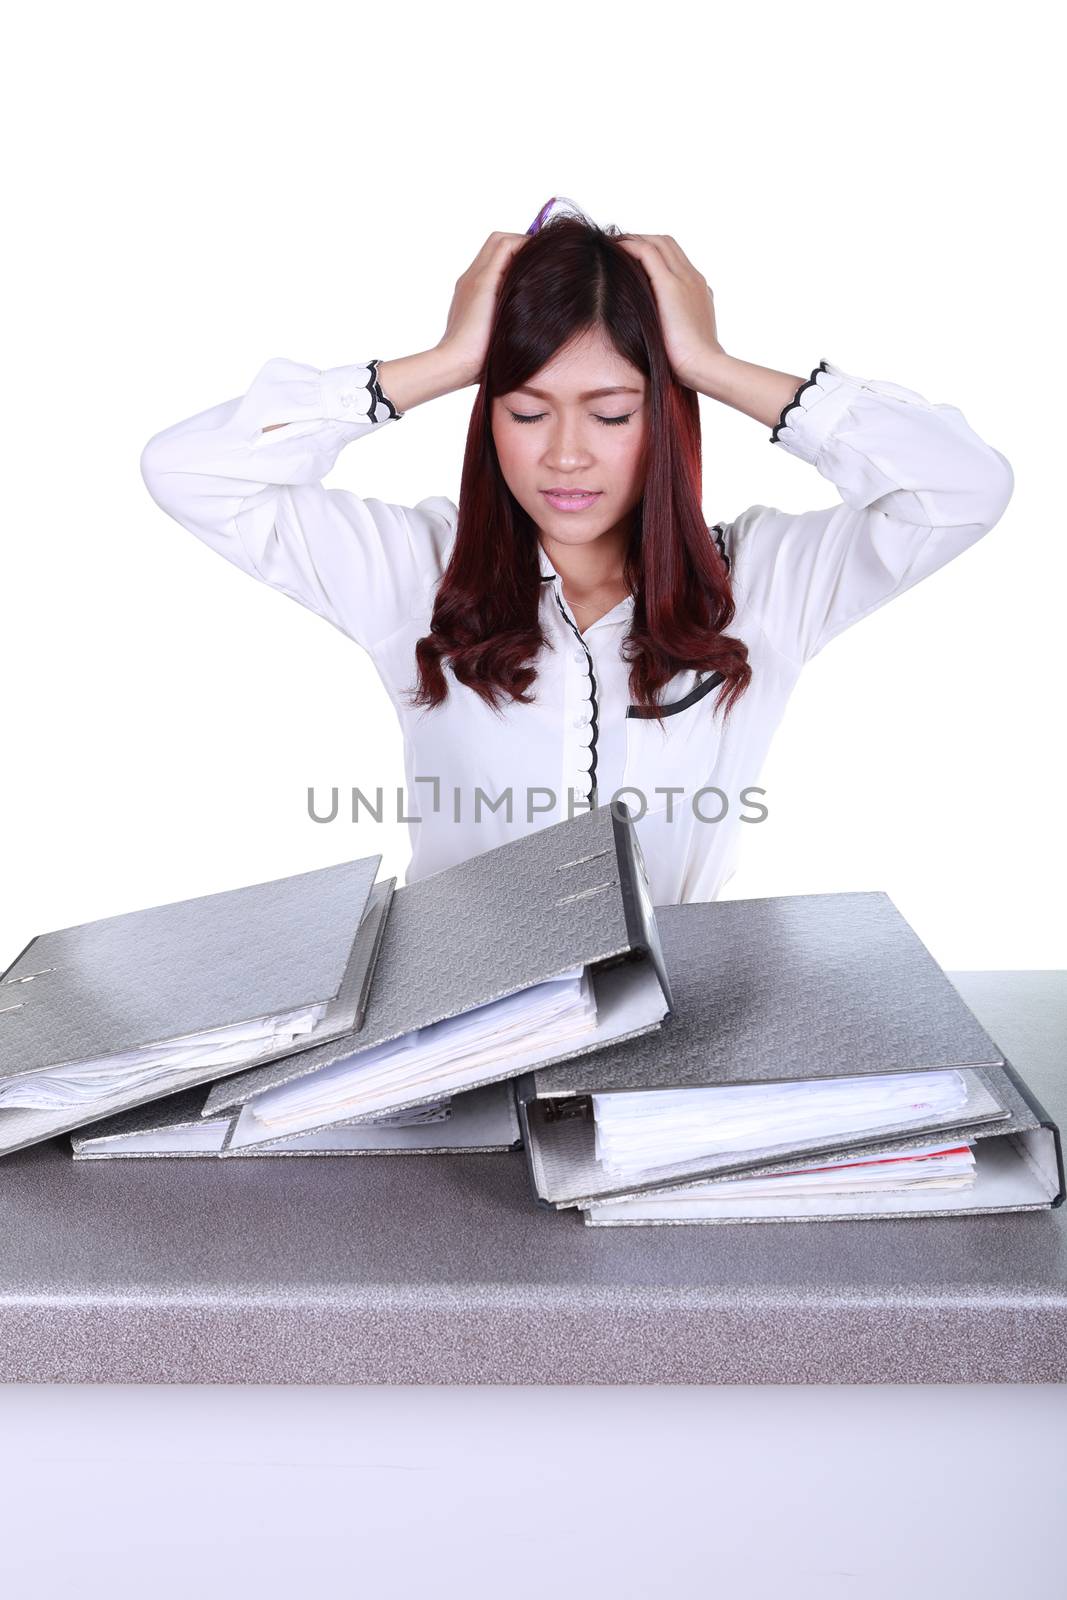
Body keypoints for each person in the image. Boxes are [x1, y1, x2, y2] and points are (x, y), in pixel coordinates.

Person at [138, 202, 1014, 907]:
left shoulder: (764, 584)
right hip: (448, 1041)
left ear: (664, 416)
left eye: (610, 413)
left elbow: (959, 490)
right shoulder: (413, 571)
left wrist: (708, 362)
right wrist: (444, 363)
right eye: (525, 411)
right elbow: (188, 471)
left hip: (671, 1038)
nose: (564, 454)